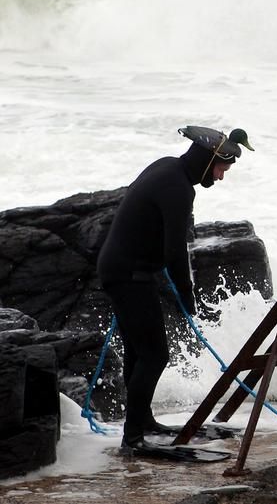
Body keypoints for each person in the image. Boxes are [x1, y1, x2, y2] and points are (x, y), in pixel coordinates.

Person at [96, 125, 253, 454]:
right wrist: (187, 294)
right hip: (128, 275)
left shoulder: (166, 166)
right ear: (208, 160)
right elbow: (174, 251)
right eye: (222, 168)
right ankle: (133, 439)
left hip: (121, 269)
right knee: (155, 355)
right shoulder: (179, 188)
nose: (221, 177)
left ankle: (143, 423)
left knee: (141, 353)